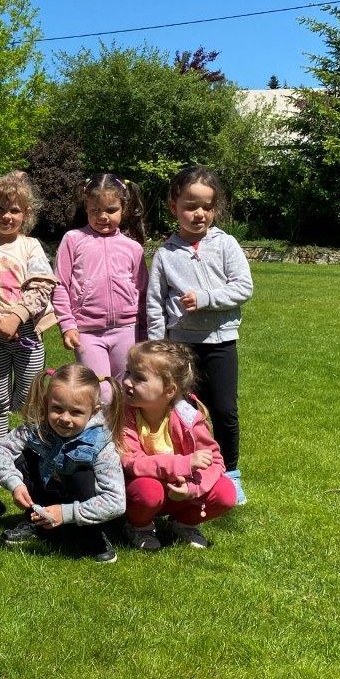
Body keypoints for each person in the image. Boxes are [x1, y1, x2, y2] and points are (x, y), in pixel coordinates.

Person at [147, 165, 254, 504]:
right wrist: (157, 347)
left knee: (224, 410)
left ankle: (230, 473)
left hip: (220, 342)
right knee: (183, 411)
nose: (199, 214)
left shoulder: (226, 244)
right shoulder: (165, 254)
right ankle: (188, 469)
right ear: (174, 206)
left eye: (207, 206)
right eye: (191, 205)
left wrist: (206, 298)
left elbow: (244, 287)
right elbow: (154, 303)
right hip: (181, 347)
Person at [0, 364, 125, 563]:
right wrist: (15, 483)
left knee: (83, 476)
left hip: (82, 504)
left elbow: (116, 502)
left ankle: (93, 534)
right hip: (47, 490)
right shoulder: (37, 427)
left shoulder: (101, 443)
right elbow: (0, 450)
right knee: (23, 456)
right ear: (47, 402)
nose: (64, 418)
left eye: (76, 412)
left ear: (93, 411)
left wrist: (66, 513)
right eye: (57, 408)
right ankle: (35, 519)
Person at [0, 172, 57, 438]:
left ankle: (28, 445)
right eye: (0, 209)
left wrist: (17, 316)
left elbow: (42, 285)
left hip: (27, 332)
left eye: (14, 210)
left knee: (29, 396)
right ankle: (0, 448)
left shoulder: (31, 246)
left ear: (26, 213)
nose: (6, 216)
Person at [116, 340, 236, 550]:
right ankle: (139, 527)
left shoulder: (189, 419)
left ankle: (184, 523)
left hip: (180, 490)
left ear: (169, 390)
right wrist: (183, 464)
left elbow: (215, 461)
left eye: (139, 378)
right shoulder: (124, 414)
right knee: (148, 490)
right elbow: (131, 462)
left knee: (226, 492)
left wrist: (191, 489)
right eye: (128, 372)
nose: (127, 382)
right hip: (143, 491)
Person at [53, 174, 149, 402]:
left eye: (111, 210)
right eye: (95, 210)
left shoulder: (133, 248)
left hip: (127, 330)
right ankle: (103, 427)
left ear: (123, 208)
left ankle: (126, 427)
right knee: (102, 394)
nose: (103, 216)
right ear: (86, 207)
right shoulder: (73, 240)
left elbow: (143, 292)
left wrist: (145, 332)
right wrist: (67, 325)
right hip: (87, 332)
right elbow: (60, 285)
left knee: (127, 390)